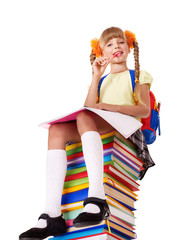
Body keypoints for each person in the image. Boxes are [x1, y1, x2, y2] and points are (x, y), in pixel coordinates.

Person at [19, 26, 155, 240]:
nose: (116, 47)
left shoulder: (137, 75)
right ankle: (51, 214)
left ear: (129, 48)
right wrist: (96, 76)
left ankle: (97, 198)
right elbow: (89, 107)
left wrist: (111, 106)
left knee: (84, 117)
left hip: (126, 123)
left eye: (120, 42)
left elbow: (144, 109)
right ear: (102, 53)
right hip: (104, 119)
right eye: (109, 45)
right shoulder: (101, 80)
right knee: (56, 130)